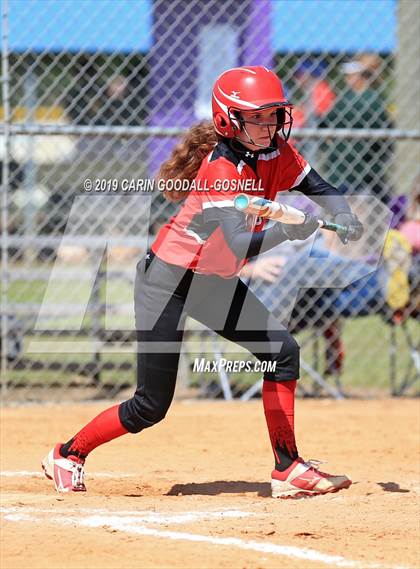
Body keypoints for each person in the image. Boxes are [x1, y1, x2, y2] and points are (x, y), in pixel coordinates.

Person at [42, 66, 363, 499]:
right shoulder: (222, 169)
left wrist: (341, 215)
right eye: (259, 117)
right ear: (230, 119)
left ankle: (287, 468)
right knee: (150, 406)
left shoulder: (276, 152)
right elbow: (238, 244)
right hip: (168, 282)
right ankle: (68, 453)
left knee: (282, 352)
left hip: (211, 282)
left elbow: (319, 186)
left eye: (274, 115)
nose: (270, 125)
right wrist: (291, 229)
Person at [320, 54, 392, 205]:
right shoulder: (348, 98)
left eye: (351, 75)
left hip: (363, 166)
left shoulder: (368, 99)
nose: (347, 79)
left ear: (362, 76)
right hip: (348, 165)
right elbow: (325, 124)